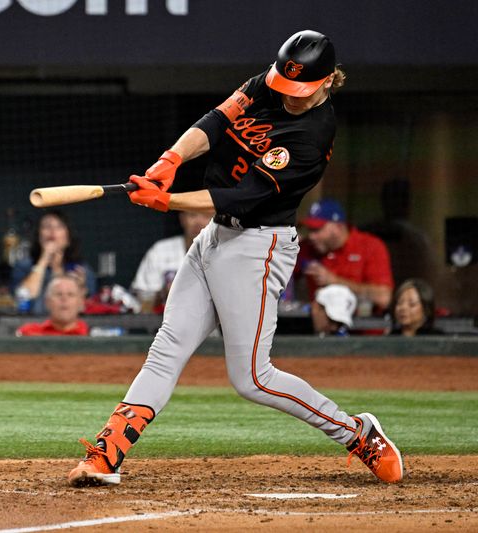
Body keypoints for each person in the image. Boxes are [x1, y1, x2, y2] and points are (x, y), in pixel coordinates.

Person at [67, 30, 403, 488]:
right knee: (168, 347)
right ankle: (110, 453)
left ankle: (357, 433)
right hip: (215, 235)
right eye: (284, 85)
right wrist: (170, 159)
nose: (288, 97)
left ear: (328, 82)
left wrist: (167, 202)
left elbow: (243, 196)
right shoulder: (273, 81)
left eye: (300, 91)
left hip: (258, 247)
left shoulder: (312, 134)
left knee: (252, 378)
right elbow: (215, 122)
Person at [297, 198, 394, 316]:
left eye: (317, 230)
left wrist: (334, 281)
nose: (311, 236)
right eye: (310, 230)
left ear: (339, 227)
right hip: (320, 329)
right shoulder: (307, 247)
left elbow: (383, 297)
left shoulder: (370, 246)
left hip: (362, 329)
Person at [11, 210, 96, 315]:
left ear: (68, 238)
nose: (52, 231)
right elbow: (24, 297)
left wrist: (82, 289)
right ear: (38, 236)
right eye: (46, 226)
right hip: (32, 324)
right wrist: (44, 259)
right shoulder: (24, 266)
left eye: (59, 227)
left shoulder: (81, 270)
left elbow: (87, 309)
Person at [131, 211, 213, 313]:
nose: (199, 222)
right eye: (192, 215)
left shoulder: (225, 252)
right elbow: (141, 301)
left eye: (206, 216)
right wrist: (163, 293)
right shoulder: (161, 250)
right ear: (182, 219)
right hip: (166, 322)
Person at [16, 274, 89, 336]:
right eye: (59, 294)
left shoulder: (92, 335)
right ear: (47, 302)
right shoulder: (28, 333)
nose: (64, 299)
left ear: (81, 303)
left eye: (70, 294)